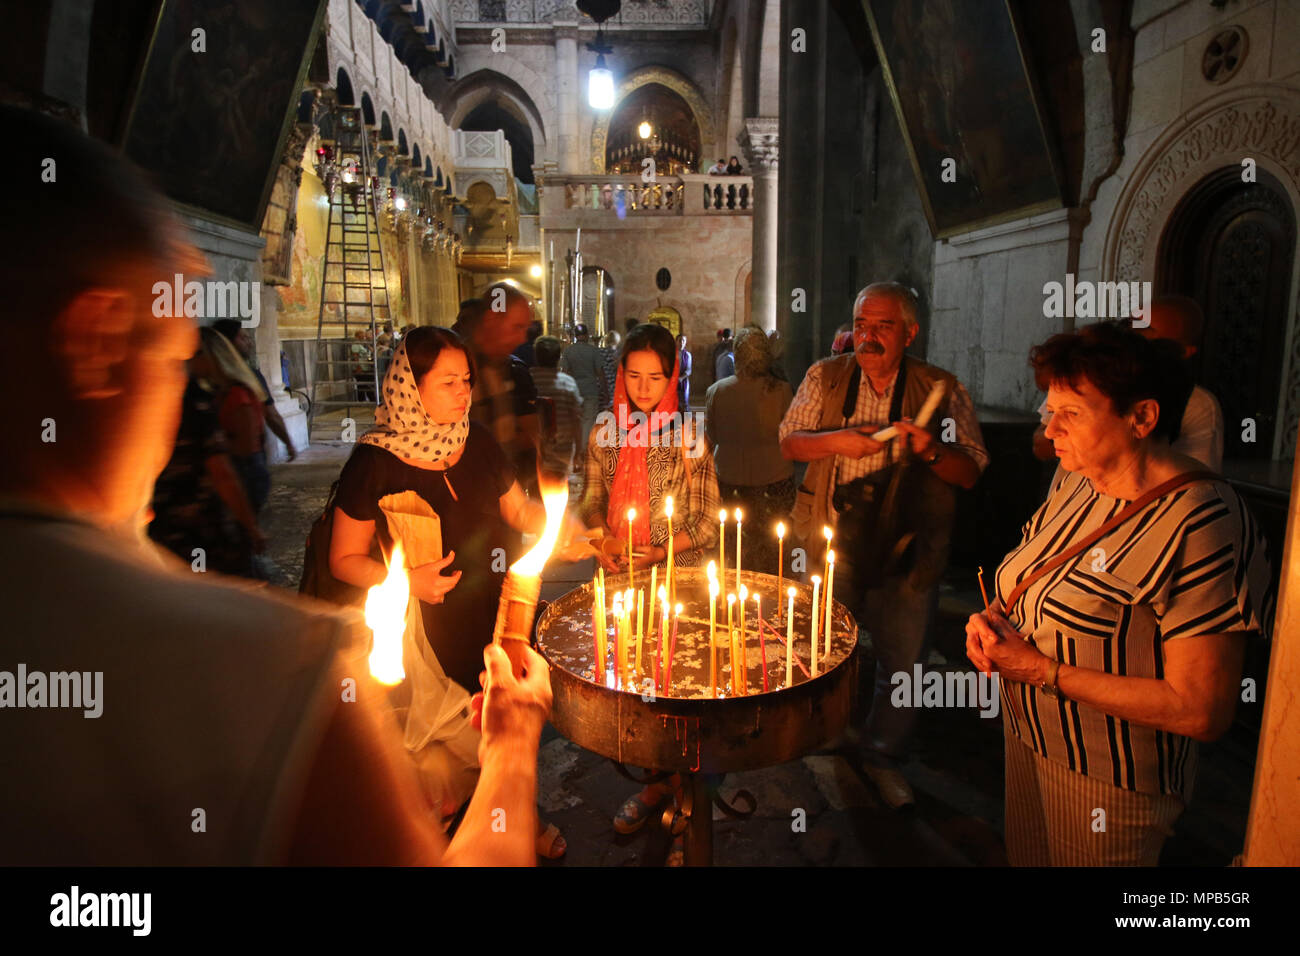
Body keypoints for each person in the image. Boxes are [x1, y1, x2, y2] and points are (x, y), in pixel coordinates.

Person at [0, 104, 548, 866]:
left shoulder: (477, 445)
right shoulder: (269, 667)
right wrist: (515, 746)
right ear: (94, 346)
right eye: (171, 359)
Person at [967, 322, 1272, 866]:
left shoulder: (1200, 521)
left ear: (1142, 417)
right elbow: (1030, 573)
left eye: (1072, 413)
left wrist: (1041, 672)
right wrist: (989, 621)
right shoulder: (1080, 482)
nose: (1050, 428)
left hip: (1108, 775)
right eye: (1049, 409)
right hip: (1029, 735)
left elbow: (1201, 710)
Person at [329, 327, 582, 858]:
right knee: (447, 746)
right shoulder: (374, 463)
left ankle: (516, 816)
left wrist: (562, 530)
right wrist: (405, 580)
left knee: (503, 714)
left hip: (493, 614)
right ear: (409, 386)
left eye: (466, 380)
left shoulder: (477, 441)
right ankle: (445, 837)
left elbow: (520, 512)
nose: (464, 393)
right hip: (427, 632)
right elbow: (344, 559)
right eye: (448, 382)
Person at [779, 281, 989, 809]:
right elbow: (790, 442)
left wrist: (932, 451)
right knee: (822, 645)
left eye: (883, 326)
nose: (868, 337)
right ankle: (824, 739)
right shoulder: (825, 377)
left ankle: (881, 755)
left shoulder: (941, 387)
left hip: (908, 546)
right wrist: (837, 442)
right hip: (834, 535)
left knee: (904, 661)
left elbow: (971, 470)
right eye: (862, 324)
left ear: (910, 332)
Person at [580, 323, 721, 865]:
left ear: (673, 378)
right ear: (620, 375)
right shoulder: (603, 432)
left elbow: (707, 523)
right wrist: (603, 536)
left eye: (655, 377)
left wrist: (662, 550)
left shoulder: (690, 436)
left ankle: (691, 802)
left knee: (680, 694)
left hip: (676, 582)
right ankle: (655, 786)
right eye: (633, 375)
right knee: (637, 692)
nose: (642, 388)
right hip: (619, 580)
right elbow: (591, 500)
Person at [1033, 297, 1224, 471]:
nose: (1128, 336)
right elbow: (1041, 441)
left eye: (1143, 331)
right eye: (1127, 325)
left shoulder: (1197, 404)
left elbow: (1196, 480)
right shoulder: (1083, 381)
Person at [148, 327, 267, 579]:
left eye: (197, 354)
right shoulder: (195, 398)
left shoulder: (205, 400)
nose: (191, 360)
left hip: (213, 504)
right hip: (191, 517)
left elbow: (237, 457)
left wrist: (250, 526)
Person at [706, 327, 795, 575]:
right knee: (772, 541)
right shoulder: (782, 390)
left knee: (735, 541)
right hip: (774, 478)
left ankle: (736, 587)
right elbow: (789, 433)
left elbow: (712, 435)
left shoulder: (718, 391)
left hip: (730, 476)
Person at [451, 290, 541, 491]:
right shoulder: (455, 370)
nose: (522, 338)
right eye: (517, 327)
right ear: (492, 319)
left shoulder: (505, 368)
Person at [212, 319, 298, 463]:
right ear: (227, 343)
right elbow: (271, 415)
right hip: (246, 458)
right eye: (243, 338)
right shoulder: (249, 376)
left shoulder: (209, 374)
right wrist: (288, 443)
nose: (249, 343)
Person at [530, 335, 583, 475]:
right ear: (558, 357)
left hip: (533, 451)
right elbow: (576, 419)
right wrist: (578, 451)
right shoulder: (568, 383)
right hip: (562, 451)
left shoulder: (528, 379)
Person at [559, 322, 607, 450]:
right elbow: (600, 373)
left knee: (576, 421)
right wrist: (606, 393)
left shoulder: (568, 351)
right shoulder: (594, 351)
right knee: (588, 421)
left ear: (575, 335)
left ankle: (577, 450)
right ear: (586, 335)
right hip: (591, 391)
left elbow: (564, 373)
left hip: (574, 392)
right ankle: (584, 450)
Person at [599, 329, 622, 412]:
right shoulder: (617, 353)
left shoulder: (600, 352)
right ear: (617, 341)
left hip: (601, 387)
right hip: (613, 387)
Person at [677, 333, 694, 409]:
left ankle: (685, 419)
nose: (681, 343)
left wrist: (681, 378)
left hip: (683, 381)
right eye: (680, 340)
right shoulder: (672, 354)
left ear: (685, 342)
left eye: (683, 341)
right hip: (673, 382)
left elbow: (689, 370)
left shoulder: (688, 355)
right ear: (676, 341)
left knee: (684, 402)